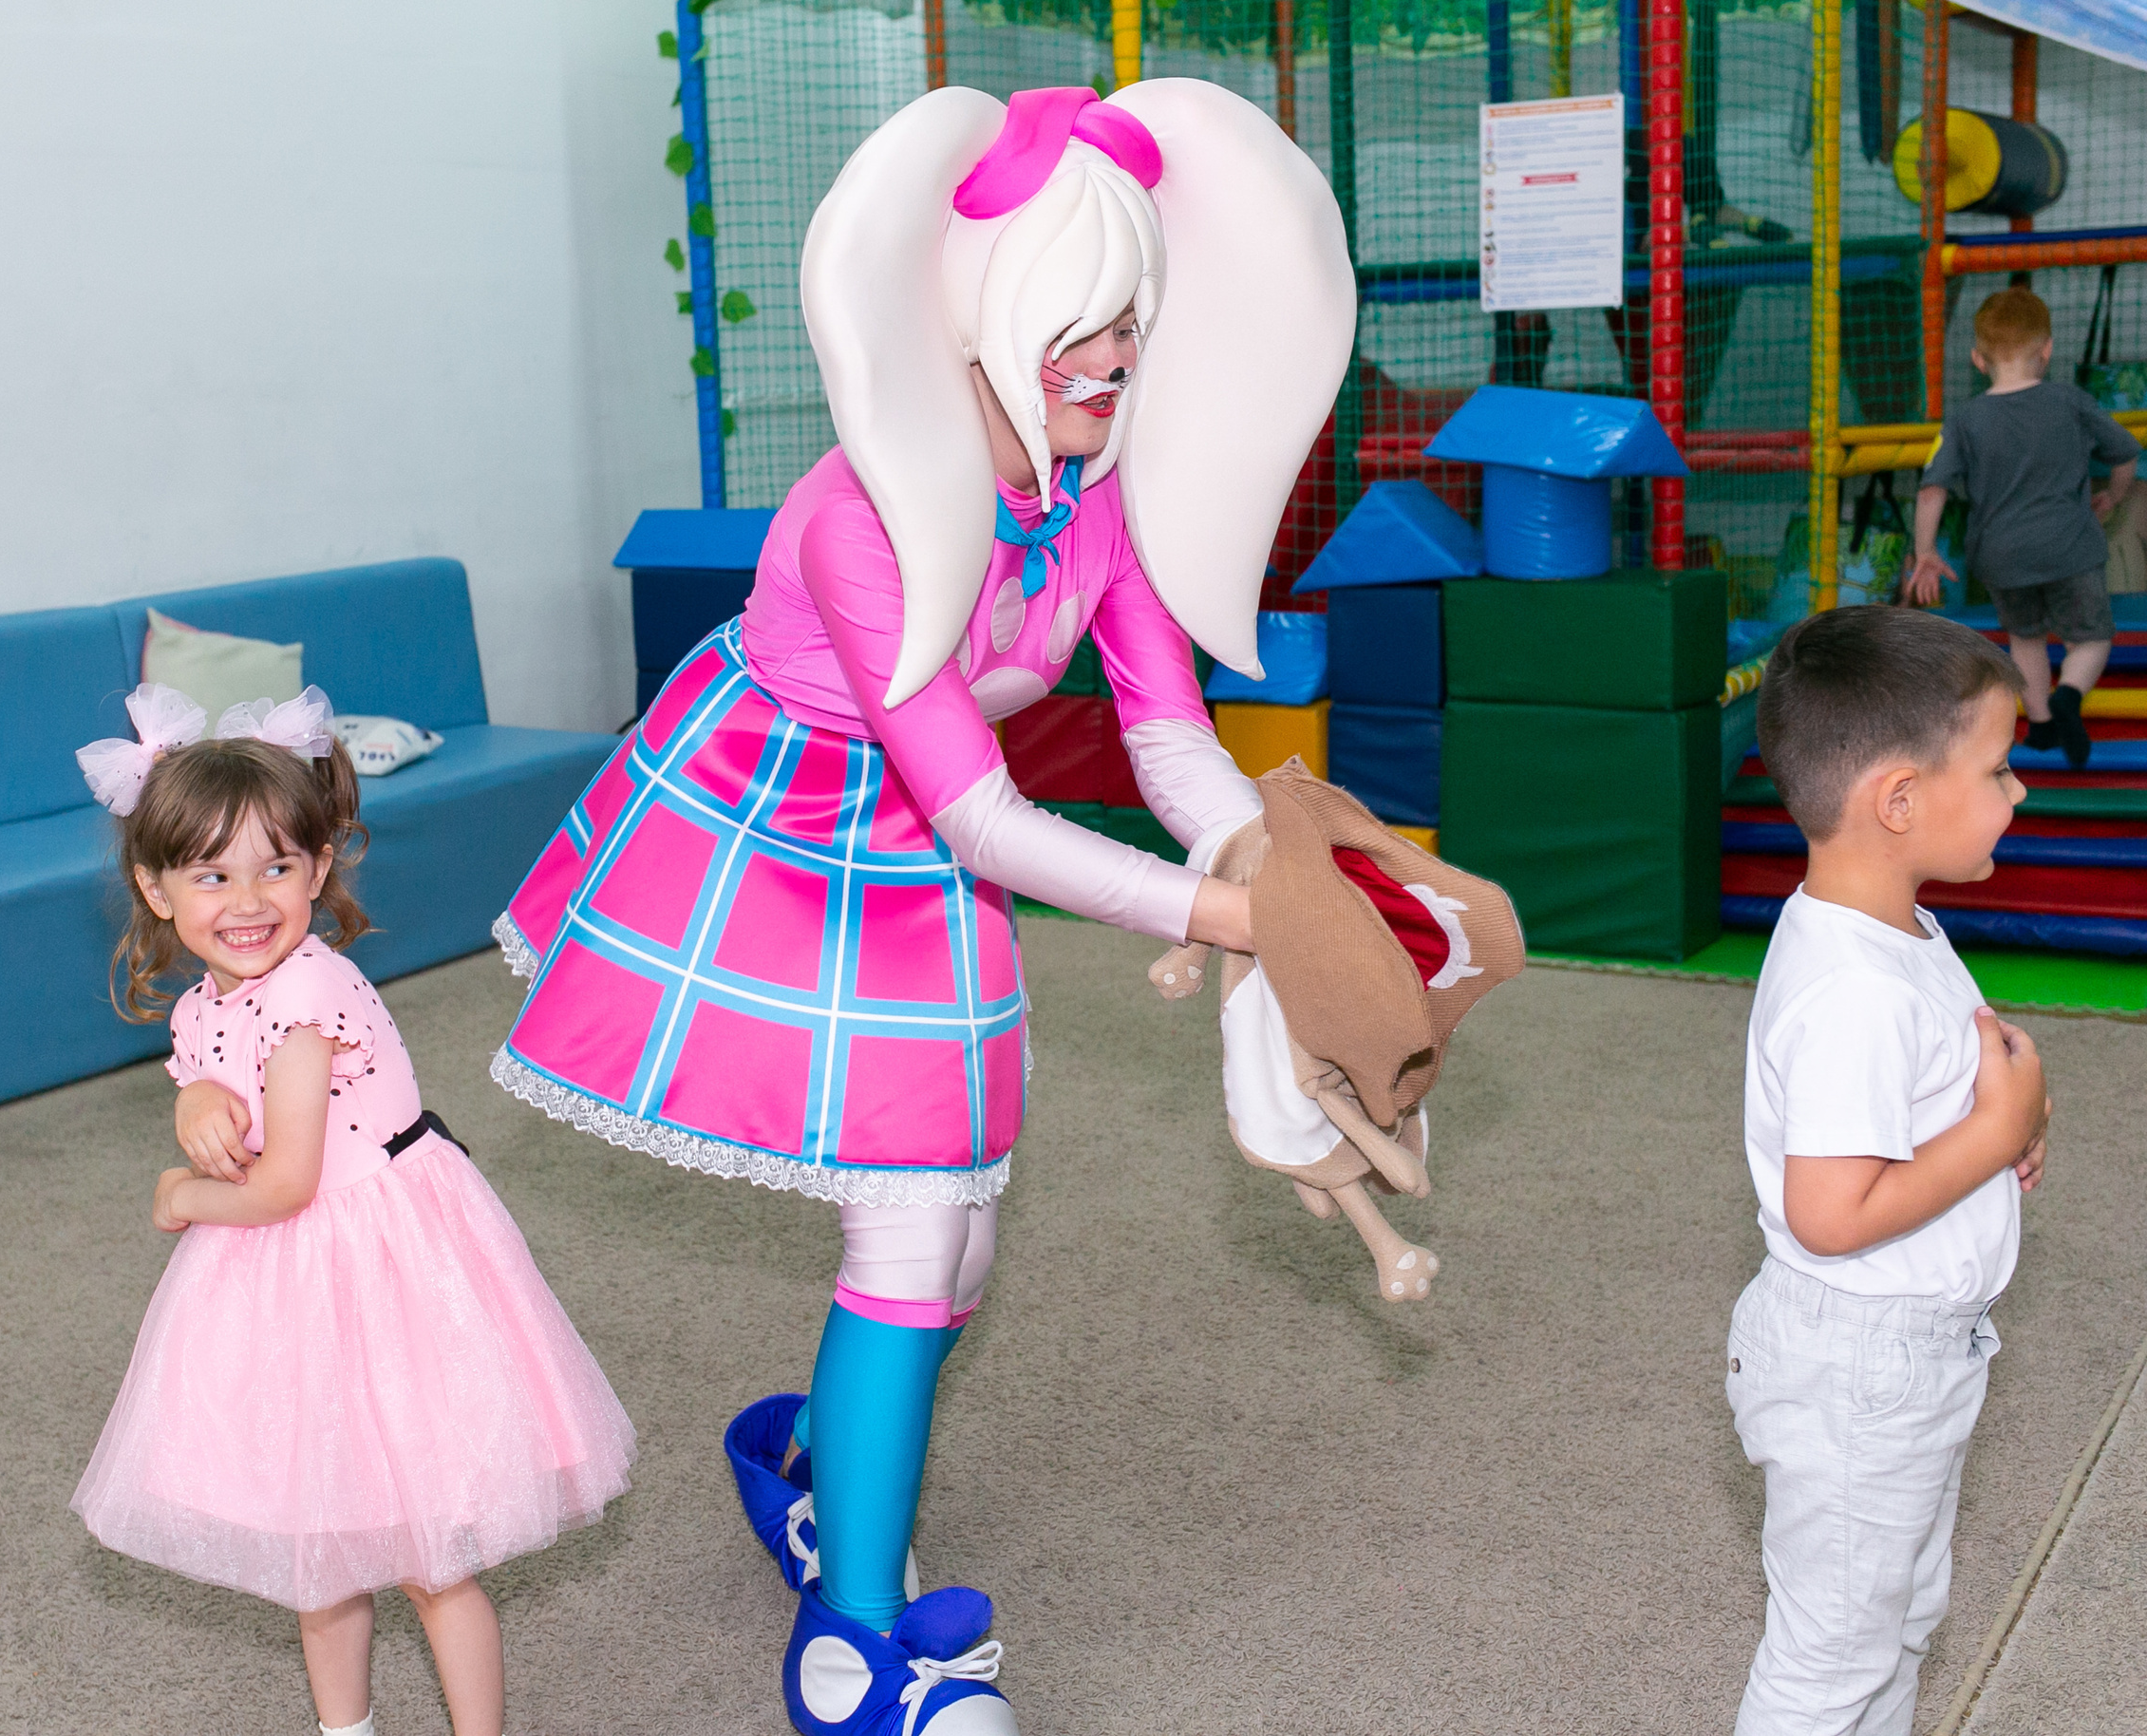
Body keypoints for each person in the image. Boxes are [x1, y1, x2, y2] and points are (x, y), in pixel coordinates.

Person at [489, 80, 1354, 1736]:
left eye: (1129, 323)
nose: (1109, 359)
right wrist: (1234, 922)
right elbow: (987, 812)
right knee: (908, 1223)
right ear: (980, 313)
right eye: (1075, 326)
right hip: (783, 830)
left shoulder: (1093, 496)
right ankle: (854, 1647)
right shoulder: (856, 520)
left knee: (958, 1244)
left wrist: (1271, 863)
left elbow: (1167, 729)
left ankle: (814, 1463)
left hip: (938, 849)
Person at [69, 685, 636, 1736]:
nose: (248, 900)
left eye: (277, 867)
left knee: (429, 1556)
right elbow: (209, 1074)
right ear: (156, 889)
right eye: (212, 873)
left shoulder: (303, 1003)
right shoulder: (211, 1000)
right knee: (318, 1546)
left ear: (320, 868)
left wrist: (176, 1192)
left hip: (382, 1263)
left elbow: (281, 1179)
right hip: (286, 1275)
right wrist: (196, 1096)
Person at [1728, 607, 2050, 1736]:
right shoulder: (1849, 988)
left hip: (1902, 1358)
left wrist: (1987, 1110)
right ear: (1900, 800)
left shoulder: (1889, 924)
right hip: (1860, 1369)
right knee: (1831, 1657)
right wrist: (1991, 1134)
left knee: (1896, 1620)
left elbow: (1924, 1071)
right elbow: (1829, 1209)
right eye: (2000, 769)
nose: (2017, 793)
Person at [1904, 286, 2143, 769]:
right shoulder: (2069, 402)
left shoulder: (1964, 420)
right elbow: (2125, 452)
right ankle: (2069, 696)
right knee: (2091, 637)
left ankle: (2039, 726)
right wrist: (2114, 496)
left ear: (1977, 358)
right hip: (2068, 548)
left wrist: (1925, 550)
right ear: (2047, 350)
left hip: (2000, 556)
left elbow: (1931, 490)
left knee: (2025, 638)